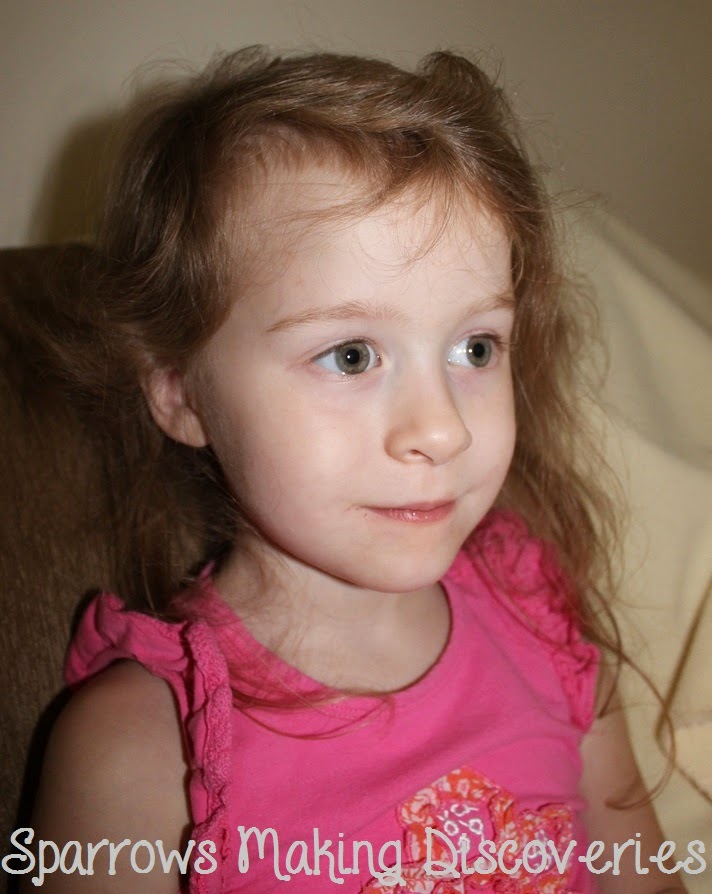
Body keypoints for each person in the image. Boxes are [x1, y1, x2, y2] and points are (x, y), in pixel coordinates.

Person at [22, 48, 689, 893]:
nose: (442, 429)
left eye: (475, 348)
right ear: (180, 390)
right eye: (350, 355)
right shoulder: (141, 748)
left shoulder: (541, 620)